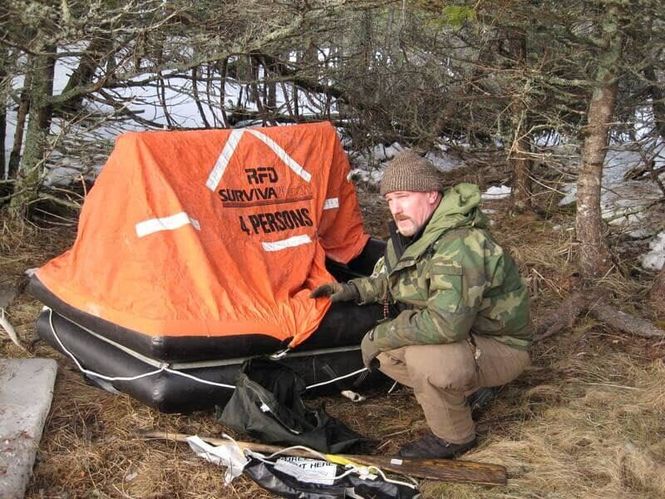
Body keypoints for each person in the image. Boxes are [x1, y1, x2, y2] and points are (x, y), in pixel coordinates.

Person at [311, 149, 532, 459]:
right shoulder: (411, 237)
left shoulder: (459, 243)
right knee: (388, 356)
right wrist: (353, 290)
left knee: (425, 361)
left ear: (431, 195)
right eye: (389, 200)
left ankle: (454, 437)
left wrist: (380, 334)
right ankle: (465, 392)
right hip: (470, 340)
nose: (396, 208)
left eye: (403, 196)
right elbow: (396, 279)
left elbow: (447, 324)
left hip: (501, 345)